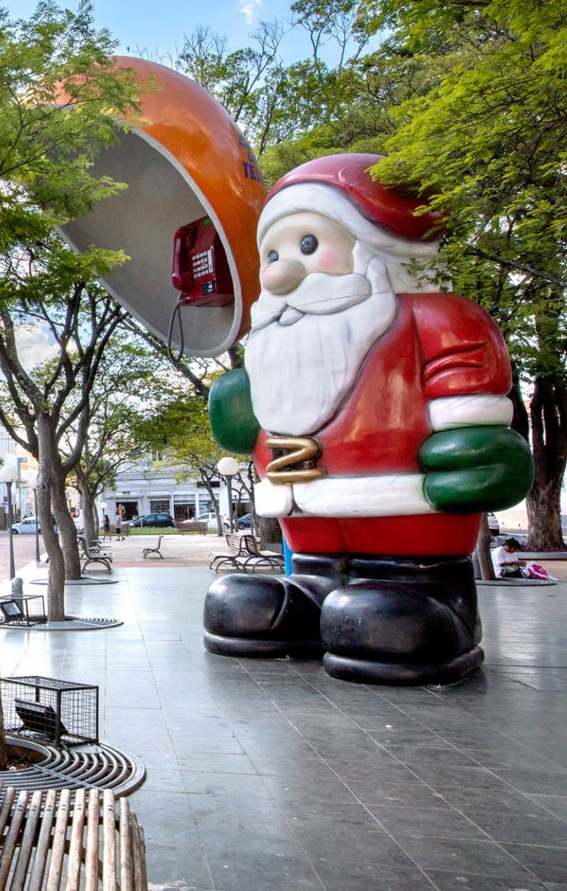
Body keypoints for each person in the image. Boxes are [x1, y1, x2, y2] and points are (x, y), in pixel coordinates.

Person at [205, 153, 532, 685]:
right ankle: (310, 594)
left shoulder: (437, 320)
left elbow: (475, 421)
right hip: (310, 545)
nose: (282, 272)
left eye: (308, 245)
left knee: (389, 618)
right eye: (272, 255)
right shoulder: (271, 346)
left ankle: (442, 605)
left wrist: (471, 459)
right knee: (242, 605)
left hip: (418, 554)